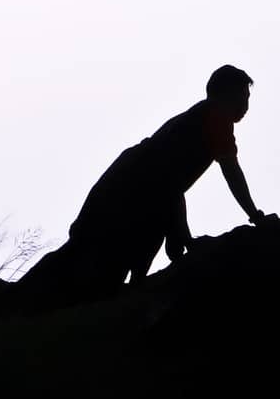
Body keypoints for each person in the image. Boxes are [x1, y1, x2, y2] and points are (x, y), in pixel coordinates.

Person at [66, 64, 266, 293]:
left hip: (128, 186)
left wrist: (181, 237)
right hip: (128, 191)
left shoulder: (201, 117)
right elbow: (228, 173)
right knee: (107, 269)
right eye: (243, 97)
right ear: (226, 93)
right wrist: (254, 215)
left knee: (110, 267)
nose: (246, 106)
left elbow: (171, 185)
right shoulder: (215, 116)